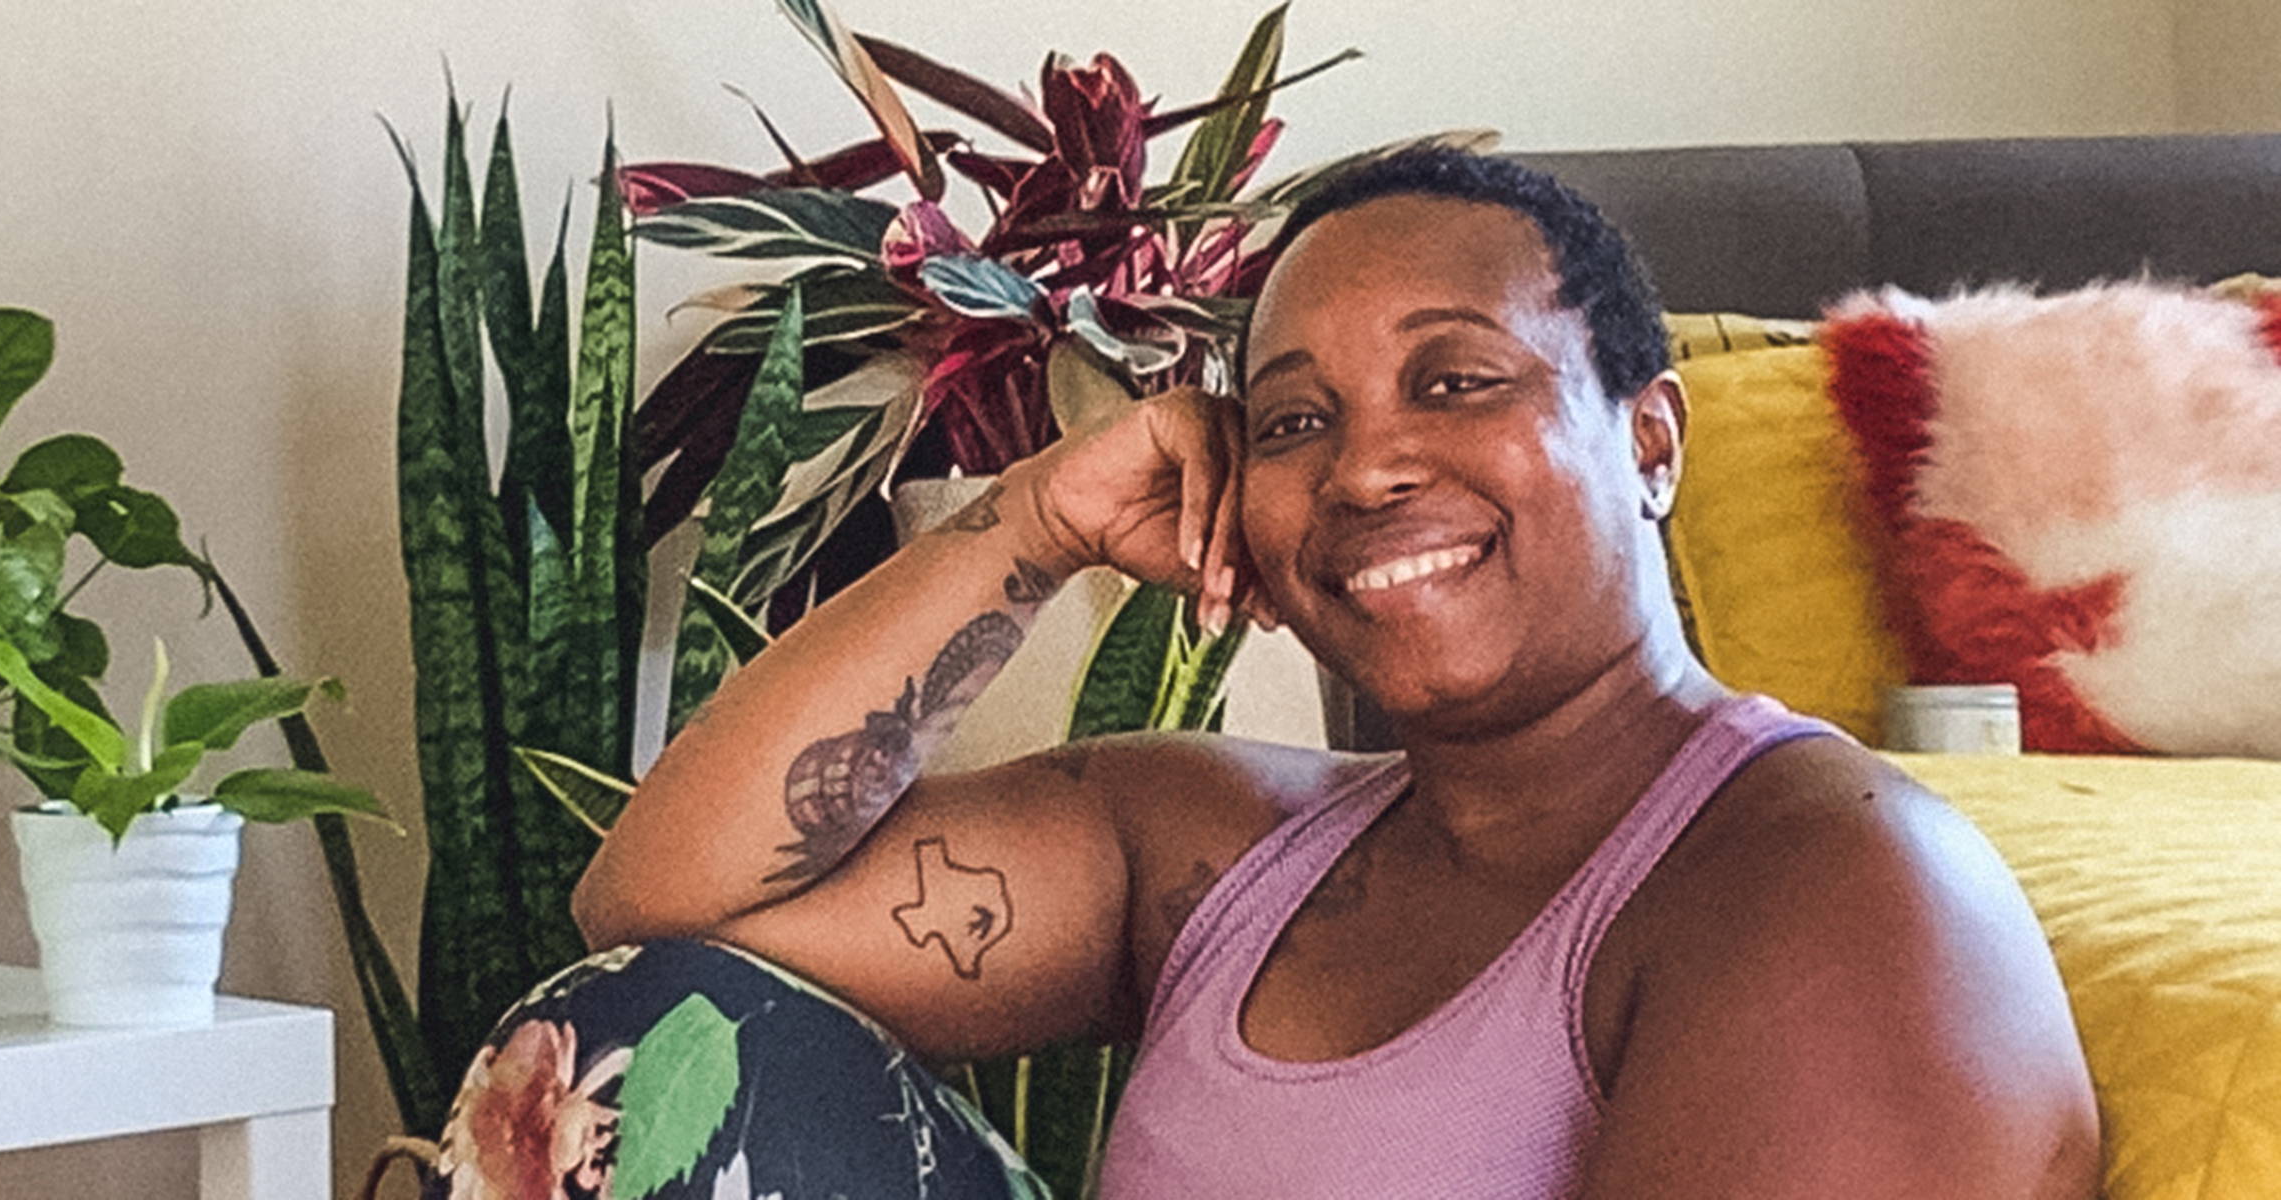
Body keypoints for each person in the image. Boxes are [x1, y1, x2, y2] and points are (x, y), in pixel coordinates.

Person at [421, 148, 2100, 1199]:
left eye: (1456, 382)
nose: (1365, 468)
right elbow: (659, 908)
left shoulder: (1832, 885)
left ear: (1650, 439)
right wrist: (1036, 521)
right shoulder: (1220, 849)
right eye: (1295, 420)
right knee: (635, 1037)